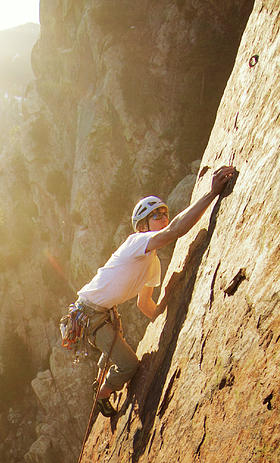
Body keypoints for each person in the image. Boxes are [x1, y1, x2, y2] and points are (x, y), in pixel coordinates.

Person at [72, 165, 237, 416]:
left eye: (164, 213)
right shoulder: (136, 242)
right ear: (142, 226)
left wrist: (168, 311)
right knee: (128, 366)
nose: (163, 217)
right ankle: (102, 393)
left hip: (103, 313)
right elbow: (176, 230)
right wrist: (211, 193)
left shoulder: (153, 263)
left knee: (115, 349)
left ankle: (105, 372)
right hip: (89, 314)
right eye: (156, 215)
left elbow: (145, 304)